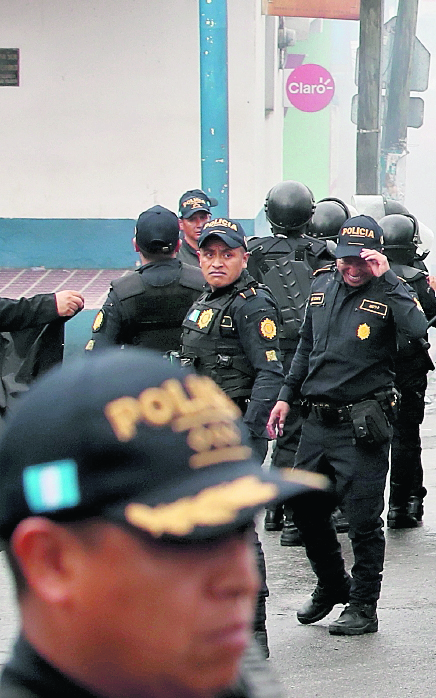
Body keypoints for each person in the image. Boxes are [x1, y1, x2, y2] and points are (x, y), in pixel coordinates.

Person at [0, 350, 326, 698]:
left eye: (241, 531)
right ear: (52, 562)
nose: (242, 581)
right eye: (190, 540)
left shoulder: (232, 677)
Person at [265, 216, 430, 636]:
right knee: (302, 506)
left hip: (362, 423)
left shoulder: (390, 292)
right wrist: (286, 395)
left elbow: (418, 333)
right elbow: (305, 345)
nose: (352, 269)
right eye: (345, 260)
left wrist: (390, 279)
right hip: (316, 420)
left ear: (374, 256)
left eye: (360, 261)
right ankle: (333, 584)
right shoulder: (322, 286)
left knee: (362, 521)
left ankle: (363, 606)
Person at [178, 216, 287, 655]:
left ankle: (255, 631)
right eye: (209, 254)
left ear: (244, 257)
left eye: (227, 254)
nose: (217, 262)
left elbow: (270, 372)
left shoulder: (252, 305)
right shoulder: (205, 300)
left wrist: (246, 435)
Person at [245, 181, 333, 539]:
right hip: (309, 352)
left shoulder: (253, 252)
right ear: (309, 214)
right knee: (299, 431)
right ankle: (294, 516)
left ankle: (275, 510)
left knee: (277, 428)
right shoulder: (323, 253)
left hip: (267, 352)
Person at [379, 213, 436, 530]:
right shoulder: (416, 279)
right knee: (407, 438)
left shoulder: (368, 275)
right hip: (408, 368)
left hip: (372, 366)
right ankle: (403, 504)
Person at [87, 206, 206, 355]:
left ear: (136, 245)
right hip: (194, 377)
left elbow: (98, 354)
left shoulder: (122, 292)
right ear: (178, 245)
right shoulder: (203, 284)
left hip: (140, 376)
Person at [174, 190, 215, 269]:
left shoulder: (222, 248)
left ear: (209, 218)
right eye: (192, 219)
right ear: (180, 224)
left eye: (203, 218)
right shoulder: (175, 254)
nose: (199, 225)